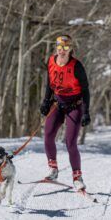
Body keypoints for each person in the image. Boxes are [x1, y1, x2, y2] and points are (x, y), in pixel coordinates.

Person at [40, 35, 91, 190]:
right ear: (56, 47)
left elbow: (86, 90)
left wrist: (86, 112)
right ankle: (53, 169)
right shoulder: (50, 61)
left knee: (70, 142)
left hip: (74, 106)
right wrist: (46, 101)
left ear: (70, 49)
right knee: (48, 135)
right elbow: (50, 83)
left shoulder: (76, 66)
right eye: (60, 47)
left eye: (66, 48)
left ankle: (77, 177)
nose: (62, 51)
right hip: (58, 104)